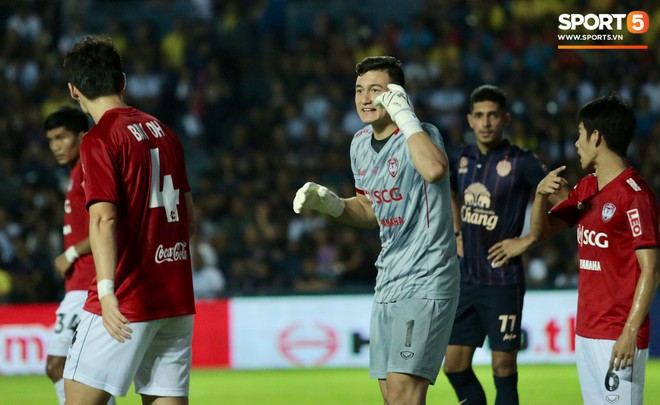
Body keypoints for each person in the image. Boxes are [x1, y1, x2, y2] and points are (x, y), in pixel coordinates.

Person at [293, 55, 459, 405]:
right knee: (390, 396)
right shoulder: (358, 145)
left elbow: (434, 170)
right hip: (387, 280)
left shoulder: (422, 134)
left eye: (376, 90)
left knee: (403, 393)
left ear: (397, 95)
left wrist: (405, 116)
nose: (365, 98)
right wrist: (331, 204)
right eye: (359, 90)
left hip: (427, 276)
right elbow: (369, 209)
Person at [61, 35, 197, 405]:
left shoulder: (100, 138)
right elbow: (189, 221)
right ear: (121, 81)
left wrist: (106, 292)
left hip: (126, 300)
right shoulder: (165, 133)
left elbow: (103, 218)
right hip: (176, 297)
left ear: (74, 90)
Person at [530, 95, 659, 405]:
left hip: (617, 334)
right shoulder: (588, 187)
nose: (576, 143)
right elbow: (541, 232)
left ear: (597, 136)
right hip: (587, 331)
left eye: (580, 134)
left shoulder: (635, 197)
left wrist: (629, 332)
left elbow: (651, 270)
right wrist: (539, 196)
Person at [442, 85, 551, 404]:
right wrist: (458, 231)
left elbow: (562, 202)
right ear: (470, 120)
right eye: (480, 116)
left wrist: (529, 239)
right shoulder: (460, 158)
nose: (486, 122)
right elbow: (449, 192)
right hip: (465, 280)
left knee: (503, 367)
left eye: (492, 116)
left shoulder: (522, 161)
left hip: (503, 281)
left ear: (505, 119)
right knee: (454, 366)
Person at [44, 106, 116, 405]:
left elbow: (108, 219)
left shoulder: (88, 168)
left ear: (81, 136)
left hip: (87, 283)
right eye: (50, 140)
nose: (55, 146)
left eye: (62, 137)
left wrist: (70, 253)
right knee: (89, 371)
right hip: (79, 285)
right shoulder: (76, 172)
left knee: (57, 365)